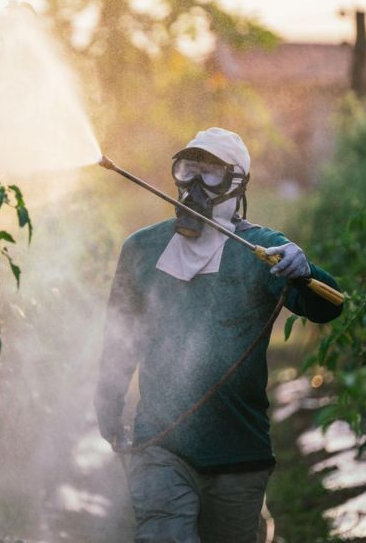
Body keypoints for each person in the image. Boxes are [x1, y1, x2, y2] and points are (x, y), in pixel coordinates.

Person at [95, 128, 343, 543]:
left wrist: (304, 271)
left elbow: (328, 306)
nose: (194, 185)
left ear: (237, 184)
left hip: (239, 454)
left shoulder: (262, 252)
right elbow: (120, 339)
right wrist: (109, 410)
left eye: (210, 174)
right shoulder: (142, 249)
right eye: (187, 170)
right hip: (161, 446)